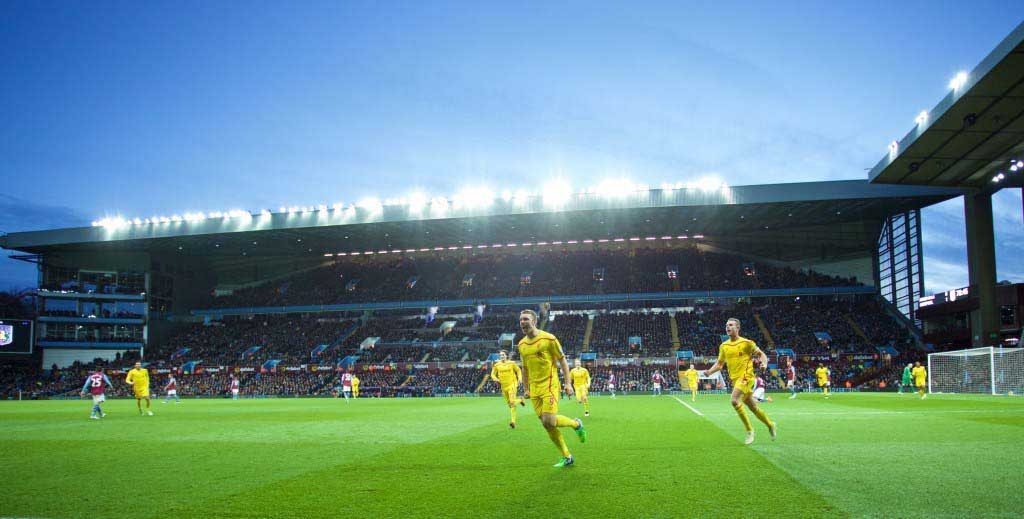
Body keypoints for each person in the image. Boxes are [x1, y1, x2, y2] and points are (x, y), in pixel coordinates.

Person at [518, 309, 586, 468]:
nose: (522, 322)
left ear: (534, 321)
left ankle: (576, 424)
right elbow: (524, 368)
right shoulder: (521, 345)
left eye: (526, 319)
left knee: (549, 420)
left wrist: (568, 383)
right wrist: (526, 388)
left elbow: (562, 360)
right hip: (534, 389)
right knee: (546, 424)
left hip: (549, 384)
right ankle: (567, 456)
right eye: (520, 320)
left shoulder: (549, 339)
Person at [702, 318, 776, 445]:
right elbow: (719, 365)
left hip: (747, 377)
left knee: (734, 400)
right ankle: (770, 424)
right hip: (735, 380)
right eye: (726, 325)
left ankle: (749, 431)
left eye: (730, 325)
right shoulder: (724, 346)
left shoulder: (747, 343)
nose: (727, 327)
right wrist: (709, 372)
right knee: (753, 408)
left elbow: (761, 354)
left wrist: (764, 363)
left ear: (737, 328)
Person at [490, 349, 526, 428]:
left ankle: (513, 422)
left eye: (503, 355)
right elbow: (492, 374)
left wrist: (520, 378)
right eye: (500, 355)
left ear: (506, 356)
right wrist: (495, 379)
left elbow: (518, 370)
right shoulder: (497, 365)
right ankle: (520, 400)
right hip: (504, 387)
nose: (502, 356)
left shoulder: (512, 363)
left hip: (512, 385)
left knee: (512, 402)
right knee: (510, 405)